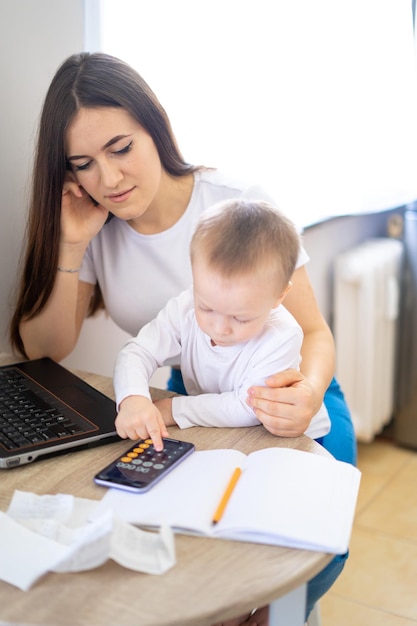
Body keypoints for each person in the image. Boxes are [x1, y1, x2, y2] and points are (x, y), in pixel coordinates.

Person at [9, 52, 356, 623]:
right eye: (84, 164)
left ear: (155, 126)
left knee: (308, 551)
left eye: (120, 149)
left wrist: (310, 392)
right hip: (191, 395)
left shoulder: (236, 203)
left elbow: (314, 333)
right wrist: (70, 245)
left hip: (291, 391)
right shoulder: (96, 226)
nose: (110, 179)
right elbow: (46, 350)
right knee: (194, 558)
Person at [113, 198, 330, 451]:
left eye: (241, 318)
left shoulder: (283, 335)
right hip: (222, 429)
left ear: (279, 296)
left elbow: (247, 407)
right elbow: (138, 351)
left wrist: (172, 409)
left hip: (289, 437)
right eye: (206, 307)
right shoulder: (184, 307)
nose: (220, 328)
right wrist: (133, 398)